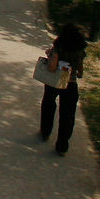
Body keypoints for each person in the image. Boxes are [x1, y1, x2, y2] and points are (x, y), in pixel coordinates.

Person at [38, 24, 88, 155]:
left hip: (54, 82)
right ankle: (62, 145)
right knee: (68, 115)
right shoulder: (80, 50)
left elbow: (52, 68)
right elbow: (80, 70)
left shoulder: (58, 47)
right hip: (70, 84)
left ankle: (45, 132)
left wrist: (50, 55)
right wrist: (78, 73)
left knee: (48, 105)